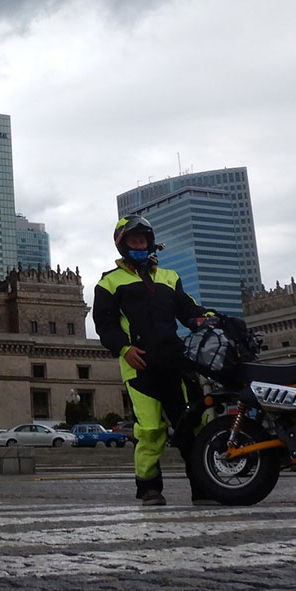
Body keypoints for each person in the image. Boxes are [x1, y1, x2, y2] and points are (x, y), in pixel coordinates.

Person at [93, 214, 215, 506]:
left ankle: (203, 487)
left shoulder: (169, 277)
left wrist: (208, 317)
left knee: (193, 425)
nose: (139, 245)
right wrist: (124, 349)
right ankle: (149, 488)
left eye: (143, 241)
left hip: (175, 363)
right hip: (139, 368)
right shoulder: (109, 282)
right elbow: (105, 325)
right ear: (123, 245)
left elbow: (187, 309)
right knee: (149, 430)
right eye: (134, 241)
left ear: (150, 244)